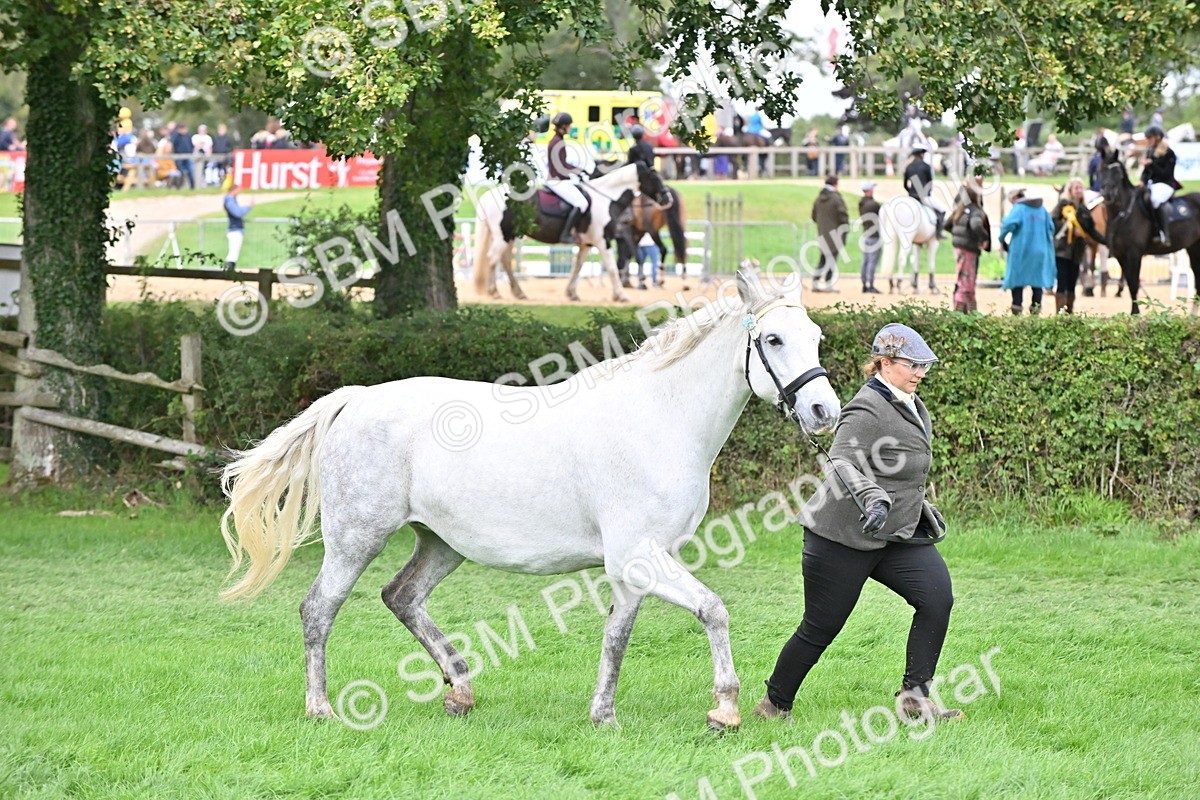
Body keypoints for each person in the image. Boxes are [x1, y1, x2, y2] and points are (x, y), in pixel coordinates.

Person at [754, 323, 959, 724]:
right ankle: (774, 706)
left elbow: (899, 466)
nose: (919, 372)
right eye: (911, 364)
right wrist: (870, 496)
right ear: (884, 363)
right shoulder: (867, 406)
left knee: (936, 599)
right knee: (820, 628)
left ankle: (915, 699)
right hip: (841, 536)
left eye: (924, 366)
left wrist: (920, 505)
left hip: (894, 533)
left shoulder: (912, 403)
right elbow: (842, 459)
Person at [1051, 178, 1106, 314]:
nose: (1079, 191)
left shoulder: (1084, 210)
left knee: (1072, 284)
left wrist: (1107, 241)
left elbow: (1092, 231)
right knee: (1062, 282)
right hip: (1062, 251)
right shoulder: (1063, 205)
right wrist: (1068, 229)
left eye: (1081, 188)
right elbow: (1052, 222)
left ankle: (1069, 311)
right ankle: (1060, 312)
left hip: (1076, 252)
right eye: (1076, 188)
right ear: (1070, 190)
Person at [999, 188, 1055, 315]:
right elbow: (1051, 228)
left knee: (1017, 280)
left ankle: (1017, 310)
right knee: (1037, 282)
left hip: (1021, 250)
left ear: (1014, 199)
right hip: (1040, 251)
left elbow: (1008, 225)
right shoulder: (1042, 209)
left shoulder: (1019, 208)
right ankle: (1035, 312)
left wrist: (1002, 239)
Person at [948, 176, 991, 313]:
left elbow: (946, 225)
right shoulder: (976, 211)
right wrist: (984, 238)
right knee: (966, 282)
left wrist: (958, 235)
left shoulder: (960, 209)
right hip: (969, 249)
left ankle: (972, 310)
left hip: (958, 249)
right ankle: (960, 312)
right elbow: (976, 225)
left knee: (963, 279)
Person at [545, 111, 588, 243]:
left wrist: (579, 171)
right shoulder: (558, 142)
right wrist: (577, 172)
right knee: (582, 203)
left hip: (558, 179)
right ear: (563, 126)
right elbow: (562, 166)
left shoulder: (557, 140)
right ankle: (566, 233)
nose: (570, 128)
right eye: (569, 125)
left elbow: (563, 164)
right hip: (557, 181)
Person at [1140, 124, 1180, 246]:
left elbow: (1166, 174)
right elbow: (1146, 172)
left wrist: (1151, 164)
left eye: (1149, 138)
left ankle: (1163, 233)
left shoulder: (1169, 153)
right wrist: (1142, 181)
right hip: (1152, 184)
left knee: (1155, 199)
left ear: (1157, 138)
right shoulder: (1150, 152)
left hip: (1166, 185)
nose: (1147, 140)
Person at [812, 173, 849, 292]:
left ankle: (816, 282)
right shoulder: (836, 198)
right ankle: (827, 284)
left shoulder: (818, 199)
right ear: (835, 184)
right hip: (835, 234)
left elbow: (813, 216)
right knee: (831, 260)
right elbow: (843, 216)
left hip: (822, 233)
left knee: (823, 259)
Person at [903, 144, 946, 239]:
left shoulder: (908, 167)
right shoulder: (926, 166)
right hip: (924, 196)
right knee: (942, 210)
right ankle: (938, 233)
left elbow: (905, 185)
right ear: (921, 154)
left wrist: (911, 192)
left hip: (912, 197)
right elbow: (930, 183)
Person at [223, 176, 252, 270]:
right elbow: (237, 212)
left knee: (234, 251)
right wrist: (248, 207)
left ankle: (229, 269)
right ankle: (228, 269)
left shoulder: (230, 200)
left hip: (235, 228)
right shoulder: (229, 200)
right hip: (234, 229)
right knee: (233, 252)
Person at [857, 181, 882, 294]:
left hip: (866, 234)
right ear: (869, 190)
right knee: (872, 261)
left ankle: (864, 283)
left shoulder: (862, 203)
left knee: (866, 260)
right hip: (874, 236)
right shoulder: (873, 205)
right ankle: (870, 284)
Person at [171, 124, 195, 189]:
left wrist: (191, 152)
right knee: (181, 171)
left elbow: (191, 145)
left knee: (190, 171)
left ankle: (192, 186)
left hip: (188, 156)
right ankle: (179, 186)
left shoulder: (188, 136)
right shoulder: (176, 136)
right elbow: (173, 144)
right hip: (179, 157)